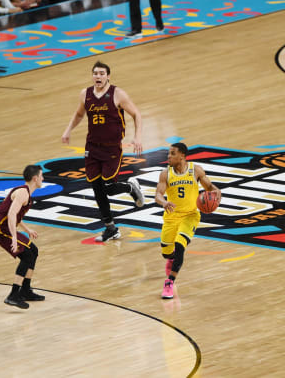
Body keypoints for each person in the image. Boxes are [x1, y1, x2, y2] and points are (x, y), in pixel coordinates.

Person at [61, 61, 145, 242]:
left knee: (109, 187)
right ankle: (110, 228)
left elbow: (137, 114)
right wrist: (68, 130)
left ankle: (131, 186)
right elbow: (78, 115)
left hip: (112, 148)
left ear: (108, 76)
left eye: (101, 73)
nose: (98, 76)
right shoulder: (85, 94)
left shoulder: (118, 94)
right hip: (92, 148)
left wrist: (137, 137)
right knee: (97, 188)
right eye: (95, 73)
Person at [154, 142, 221, 299]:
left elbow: (210, 187)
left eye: (172, 153)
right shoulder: (165, 174)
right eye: (168, 154)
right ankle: (171, 259)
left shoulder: (195, 170)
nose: (168, 157)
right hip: (171, 218)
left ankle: (169, 282)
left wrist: (217, 192)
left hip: (190, 216)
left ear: (182, 156)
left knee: (180, 245)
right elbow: (158, 194)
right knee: (167, 253)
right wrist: (164, 202)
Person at [0, 164, 45, 309]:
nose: (43, 178)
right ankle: (13, 295)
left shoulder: (26, 193)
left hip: (6, 227)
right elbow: (11, 214)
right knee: (26, 255)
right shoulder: (23, 193)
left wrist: (27, 229)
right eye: (41, 176)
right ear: (35, 178)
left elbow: (16, 216)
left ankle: (25, 290)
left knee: (33, 251)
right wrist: (14, 237)